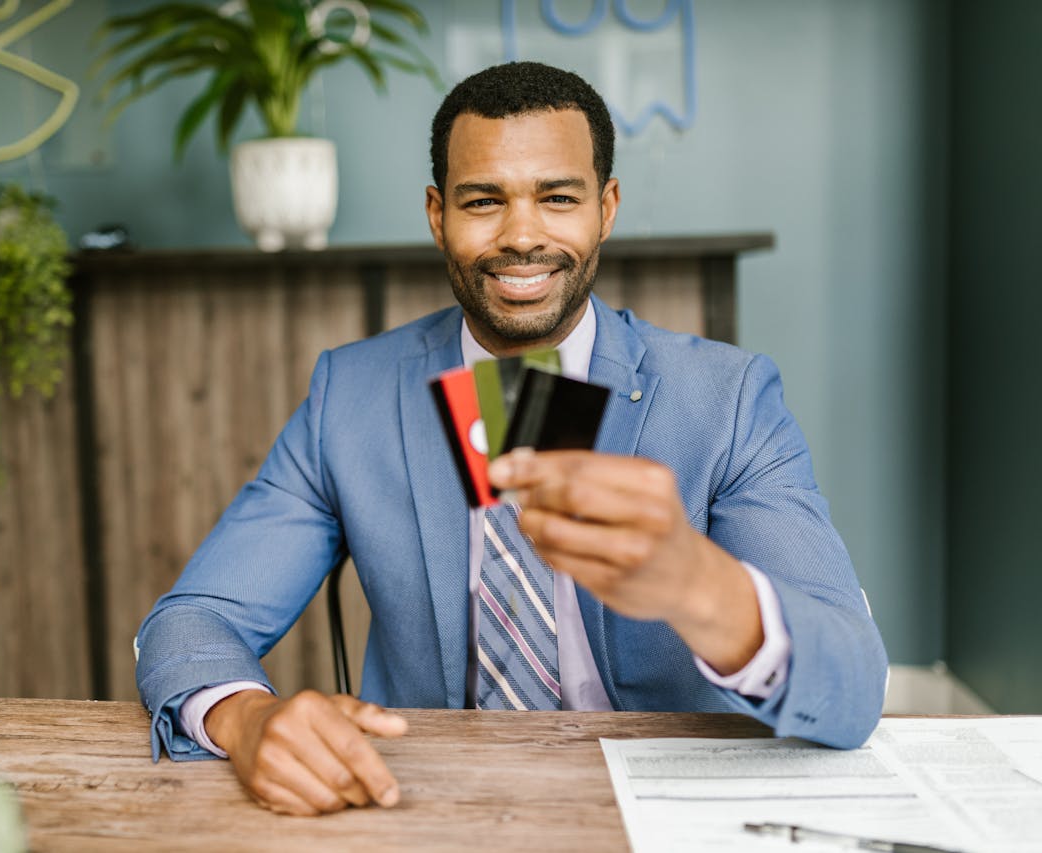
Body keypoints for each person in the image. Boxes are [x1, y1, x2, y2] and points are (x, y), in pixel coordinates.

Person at [136, 61, 888, 817]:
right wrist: (244, 717)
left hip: (668, 811)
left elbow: (854, 684)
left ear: (607, 207)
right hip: (422, 805)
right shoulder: (351, 397)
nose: (522, 235)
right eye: (482, 201)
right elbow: (193, 619)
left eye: (558, 198)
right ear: (437, 215)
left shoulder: (727, 400)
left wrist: (701, 583)